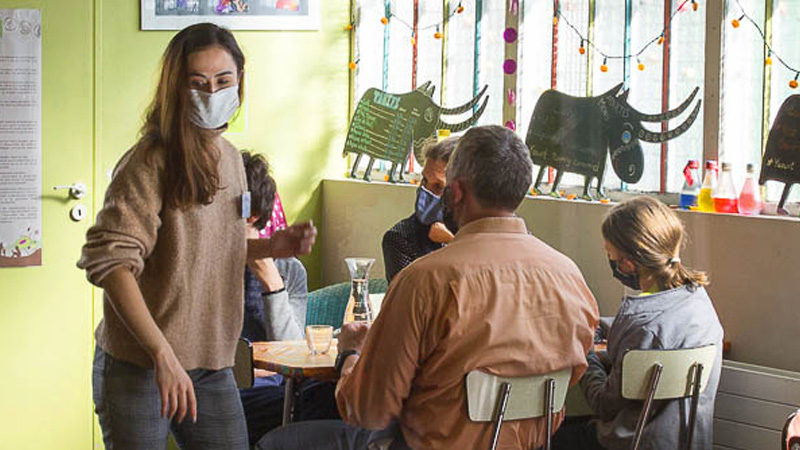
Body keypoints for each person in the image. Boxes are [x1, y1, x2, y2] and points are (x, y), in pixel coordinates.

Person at [257, 125, 599, 450]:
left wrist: (350, 355)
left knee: (280, 441)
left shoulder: (425, 280)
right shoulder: (570, 278)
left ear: (457, 190)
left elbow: (367, 411)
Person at [78, 23, 315, 449]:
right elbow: (111, 263)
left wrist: (273, 247)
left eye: (223, 81)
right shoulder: (148, 163)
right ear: (177, 88)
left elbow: (215, 244)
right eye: (198, 82)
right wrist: (161, 354)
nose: (212, 92)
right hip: (140, 365)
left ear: (239, 82)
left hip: (211, 364)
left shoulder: (231, 161)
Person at [552, 196, 723, 450]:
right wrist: (600, 324)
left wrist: (585, 354)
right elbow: (657, 333)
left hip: (631, 443)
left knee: (542, 435)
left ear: (627, 263)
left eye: (609, 253)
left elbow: (602, 403)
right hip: (685, 442)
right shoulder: (699, 301)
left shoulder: (642, 328)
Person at [238, 151, 338, 445]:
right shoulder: (204, 264)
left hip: (282, 388)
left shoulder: (289, 269)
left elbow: (293, 349)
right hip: (229, 390)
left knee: (339, 397)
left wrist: (271, 281)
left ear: (252, 215)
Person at [381, 137, 458, 282]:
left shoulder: (485, 230)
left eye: (438, 186)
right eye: (424, 181)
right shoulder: (401, 238)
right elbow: (412, 299)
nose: (425, 192)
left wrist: (453, 241)